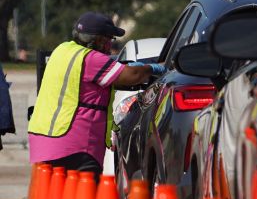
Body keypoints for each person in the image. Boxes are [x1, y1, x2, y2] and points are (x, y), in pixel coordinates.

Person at [27, 12, 165, 174]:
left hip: (44, 142)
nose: (109, 46)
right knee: (86, 194)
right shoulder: (91, 59)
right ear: (98, 39)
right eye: (109, 40)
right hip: (76, 145)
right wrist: (155, 68)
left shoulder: (62, 50)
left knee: (54, 195)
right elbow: (133, 76)